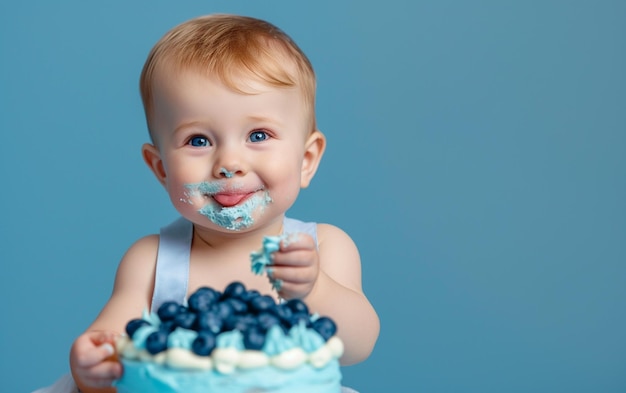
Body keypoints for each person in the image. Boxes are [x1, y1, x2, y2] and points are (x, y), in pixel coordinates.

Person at [64, 13, 379, 393]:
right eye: (198, 140)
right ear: (161, 169)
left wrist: (314, 290)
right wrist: (93, 366)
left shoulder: (323, 247)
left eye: (258, 135)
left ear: (306, 161)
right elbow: (113, 346)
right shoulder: (151, 259)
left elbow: (358, 346)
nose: (229, 164)